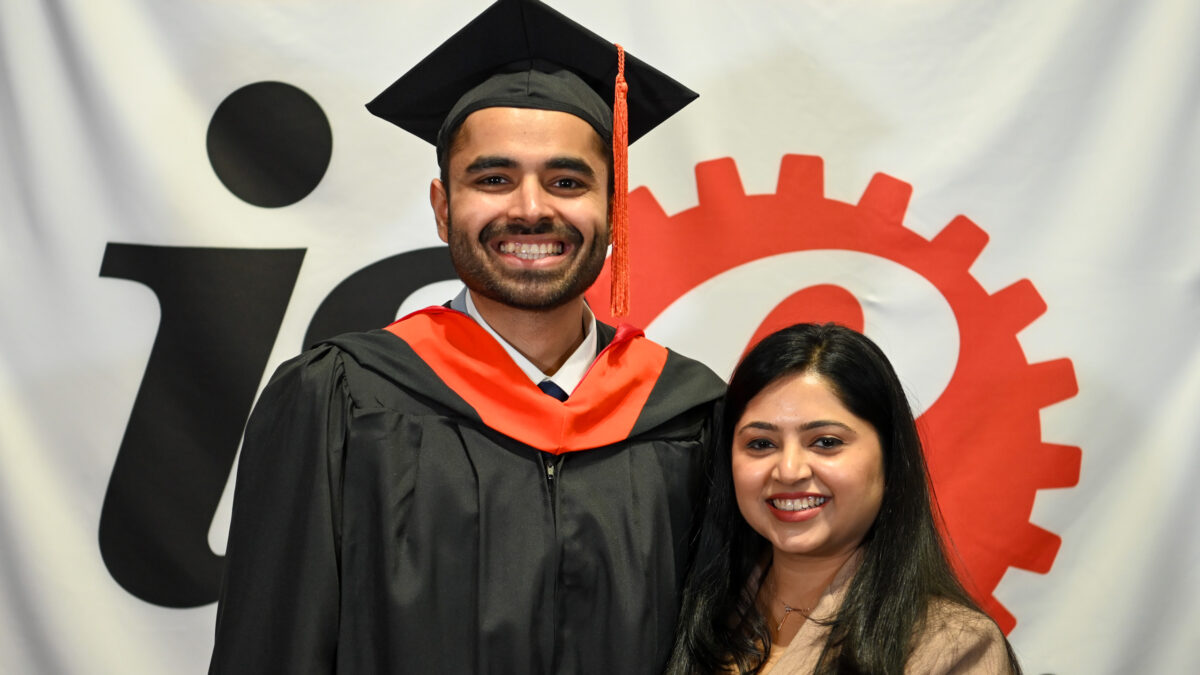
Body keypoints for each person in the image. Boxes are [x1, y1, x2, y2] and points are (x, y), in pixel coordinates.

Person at [208, 1, 723, 673]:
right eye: (494, 178)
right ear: (443, 205)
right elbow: (272, 651)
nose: (532, 208)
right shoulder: (339, 403)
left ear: (612, 206)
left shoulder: (690, 416)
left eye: (567, 181)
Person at [666, 323, 1021, 674]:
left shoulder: (952, 647)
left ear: (890, 460)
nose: (788, 471)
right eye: (761, 444)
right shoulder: (686, 621)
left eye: (826, 442)